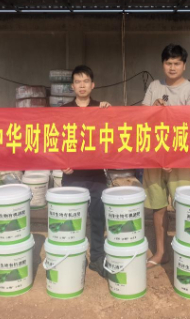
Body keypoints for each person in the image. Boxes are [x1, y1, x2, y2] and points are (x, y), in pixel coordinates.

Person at [141, 44, 190, 268]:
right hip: (154, 157)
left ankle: (187, 252)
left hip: (179, 159)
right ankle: (161, 252)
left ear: (184, 65)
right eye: (169, 63)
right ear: (163, 65)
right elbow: (142, 118)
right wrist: (153, 108)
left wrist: (174, 157)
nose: (173, 67)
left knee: (183, 206)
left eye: (177, 63)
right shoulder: (154, 86)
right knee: (157, 207)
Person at [61, 65, 111, 278]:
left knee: (98, 218)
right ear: (72, 86)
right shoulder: (64, 111)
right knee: (73, 220)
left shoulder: (101, 108)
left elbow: (114, 134)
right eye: (77, 82)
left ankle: (97, 258)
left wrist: (112, 113)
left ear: (93, 85)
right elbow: (56, 140)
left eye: (86, 81)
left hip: (96, 174)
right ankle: (74, 258)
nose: (82, 85)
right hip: (72, 176)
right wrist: (61, 163)